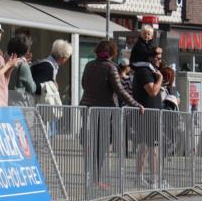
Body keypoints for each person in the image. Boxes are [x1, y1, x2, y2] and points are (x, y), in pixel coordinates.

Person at [80, 40, 143, 189]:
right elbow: (120, 91)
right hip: (104, 111)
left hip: (87, 108)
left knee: (90, 146)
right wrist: (136, 104)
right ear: (112, 53)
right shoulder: (111, 67)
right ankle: (96, 180)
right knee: (101, 147)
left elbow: (83, 84)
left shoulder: (89, 65)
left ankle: (91, 178)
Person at [133, 46, 167, 189]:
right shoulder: (145, 72)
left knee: (146, 148)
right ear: (150, 58)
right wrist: (160, 79)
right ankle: (154, 179)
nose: (160, 60)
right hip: (148, 115)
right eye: (158, 58)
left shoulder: (149, 71)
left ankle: (140, 178)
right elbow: (152, 92)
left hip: (150, 114)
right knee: (152, 149)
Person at [31, 39, 73, 105]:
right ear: (63, 57)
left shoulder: (46, 64)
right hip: (39, 105)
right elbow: (37, 87)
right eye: (67, 58)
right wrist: (53, 86)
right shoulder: (48, 67)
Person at [6, 33, 37, 107]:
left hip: (6, 101)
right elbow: (32, 88)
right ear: (25, 49)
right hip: (20, 105)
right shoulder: (23, 65)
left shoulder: (5, 60)